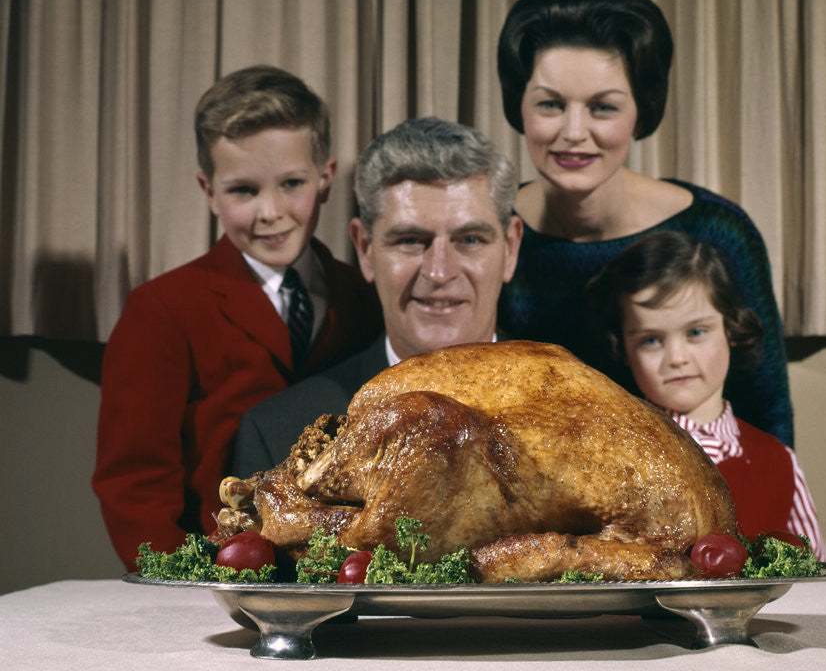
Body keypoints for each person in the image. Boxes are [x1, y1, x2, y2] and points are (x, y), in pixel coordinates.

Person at [92, 65, 381, 570]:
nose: (270, 211)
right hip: (222, 567)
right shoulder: (160, 311)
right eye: (243, 191)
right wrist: (186, 580)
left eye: (292, 183)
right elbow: (134, 483)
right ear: (208, 190)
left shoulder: (360, 294)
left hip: (339, 565)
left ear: (327, 179)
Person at [495, 0, 794, 447]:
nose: (573, 132)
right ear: (520, 106)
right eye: (551, 105)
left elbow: (768, 422)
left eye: (603, 108)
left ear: (641, 112)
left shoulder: (718, 233)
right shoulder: (492, 230)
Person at [232, 116, 523, 478]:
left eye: (470, 240)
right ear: (365, 250)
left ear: (510, 248)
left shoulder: (574, 411)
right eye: (410, 241)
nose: (438, 271)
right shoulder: (277, 434)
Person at [586, 230, 826, 559]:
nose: (677, 357)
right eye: (651, 340)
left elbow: (815, 569)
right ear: (625, 349)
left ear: (732, 329)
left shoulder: (779, 460)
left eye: (696, 332)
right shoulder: (609, 458)